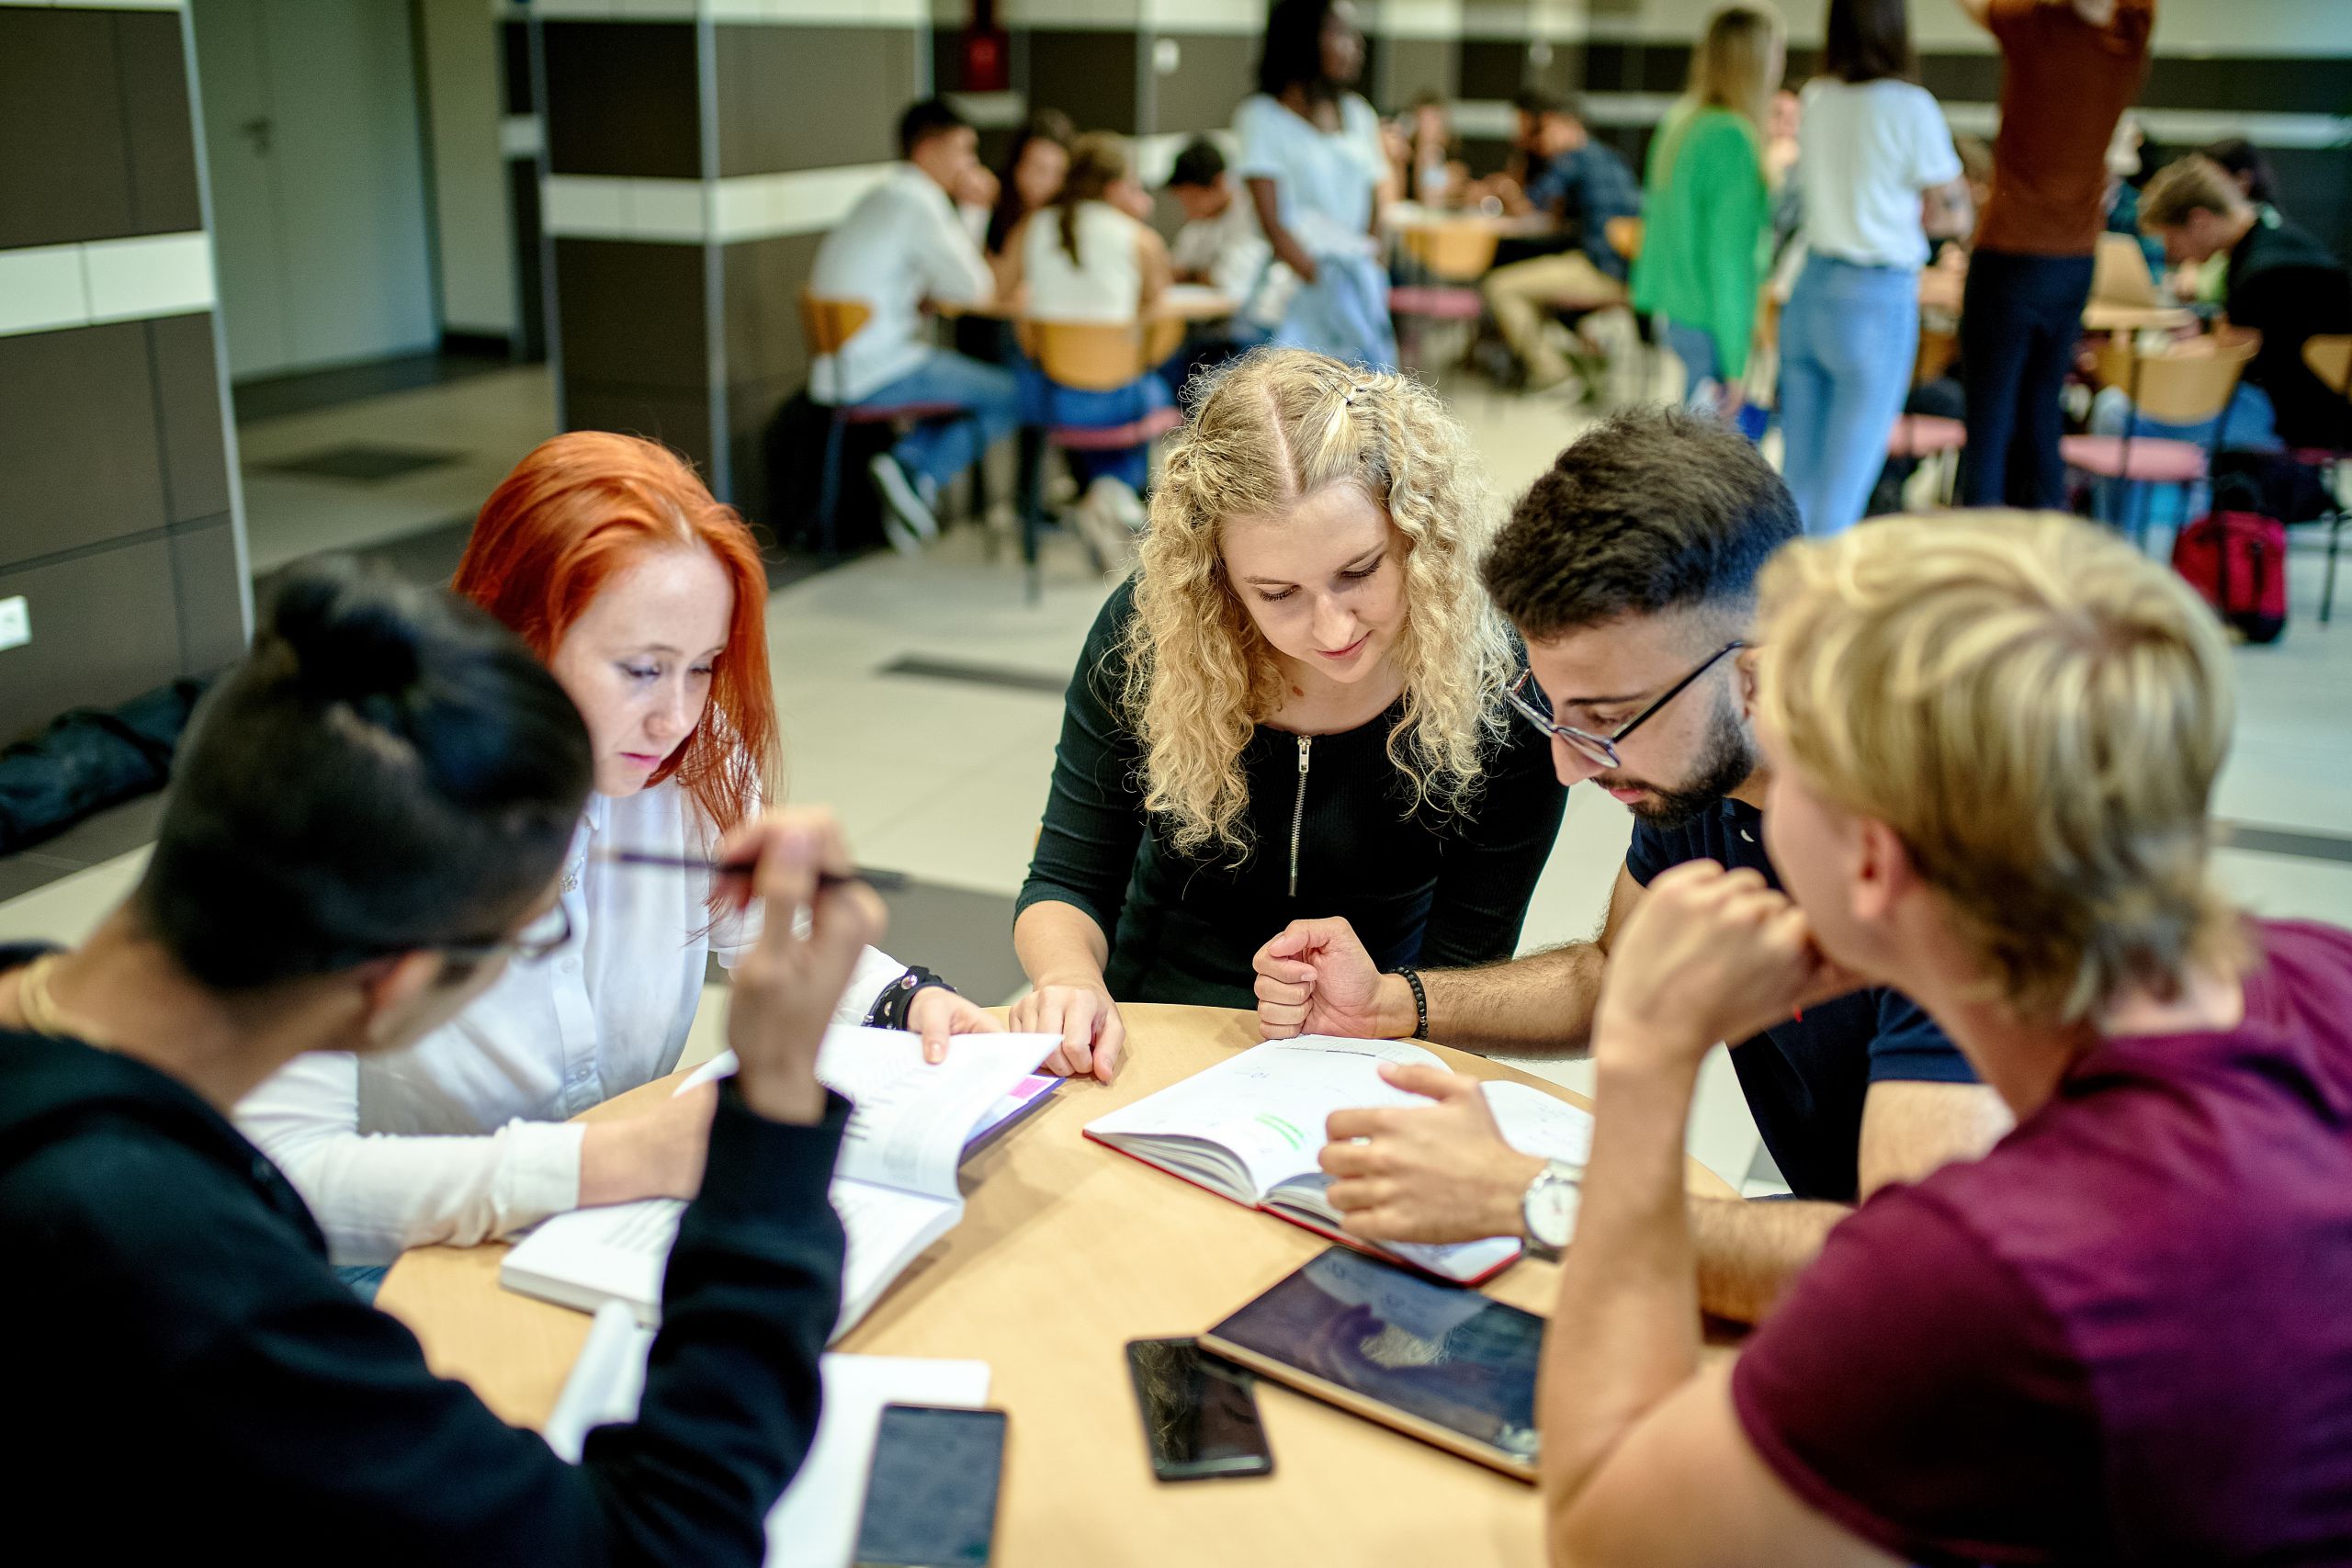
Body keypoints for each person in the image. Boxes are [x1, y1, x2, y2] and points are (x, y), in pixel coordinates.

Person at [3, 558, 881, 1557]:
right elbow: (656, 1542)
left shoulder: (45, 1038)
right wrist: (772, 1115)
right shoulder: (181, 1275)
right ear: (398, 981)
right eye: (533, 934)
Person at [1535, 510, 2352, 1563]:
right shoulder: (2318, 969)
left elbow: (1609, 1532)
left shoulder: (1989, 1273)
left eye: (1784, 768)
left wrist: (1646, 1066)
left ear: (1872, 863)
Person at [1254, 410, 2007, 1325]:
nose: (1570, 767)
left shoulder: (1956, 848)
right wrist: (1391, 1003)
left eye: (1607, 720)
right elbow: (1619, 974)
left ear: (1756, 673)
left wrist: (1533, 1199)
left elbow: (1911, 1273)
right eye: (1555, 714)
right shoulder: (1705, 774)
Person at [237, 434, 998, 1277]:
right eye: (640, 670)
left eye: (703, 669)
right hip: (405, 1258)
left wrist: (906, 1000)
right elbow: (288, 1177)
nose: (677, 718)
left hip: (615, 1225)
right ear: (513, 634)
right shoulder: (348, 808)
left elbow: (766, 932)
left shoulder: (691, 761)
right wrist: (609, 1162)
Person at [1010, 350, 1567, 1082]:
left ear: (1414, 530)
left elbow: (1469, 961)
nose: (1332, 627)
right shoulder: (1152, 639)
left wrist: (1395, 1012)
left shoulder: (1501, 677)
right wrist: (1069, 980)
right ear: (1218, 579)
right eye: (1277, 594)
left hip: (1384, 1032)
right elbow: (1067, 881)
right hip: (1154, 1019)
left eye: (1359, 571)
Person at [1776, 0, 1971, 537]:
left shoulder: (1817, 97)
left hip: (1810, 290)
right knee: (1843, 492)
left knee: (1796, 482)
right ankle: (1819, 593)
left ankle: (1777, 586)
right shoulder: (1910, 106)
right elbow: (1954, 211)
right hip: (1874, 298)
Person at [1956, 0, 2155, 508]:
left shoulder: (2035, 24)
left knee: (1989, 423)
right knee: (2042, 412)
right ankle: (2048, 543)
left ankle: (1977, 545)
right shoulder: (2131, 32)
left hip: (2008, 253)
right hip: (2074, 262)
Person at [809, 98, 1018, 551]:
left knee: (982, 387)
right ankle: (914, 469)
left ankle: (911, 476)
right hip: (879, 368)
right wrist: (975, 208)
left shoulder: (883, 195)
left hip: (839, 368)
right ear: (927, 150)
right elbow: (975, 289)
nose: (971, 165)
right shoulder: (919, 200)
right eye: (964, 151)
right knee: (1014, 393)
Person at [997, 133, 1177, 570]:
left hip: (1052, 401)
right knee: (1152, 389)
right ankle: (1113, 491)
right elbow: (1162, 322)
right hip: (1121, 399)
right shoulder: (1139, 238)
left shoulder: (1032, 227)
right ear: (1115, 186)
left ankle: (1103, 492)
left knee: (1085, 390)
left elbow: (1001, 290)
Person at [2140, 153, 2352, 453]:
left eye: (2172, 240)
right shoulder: (2276, 243)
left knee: (2121, 414)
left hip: (2290, 419)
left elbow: (2225, 359)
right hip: (2314, 412)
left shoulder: (2260, 271)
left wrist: (2152, 360)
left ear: (2199, 220)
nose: (2174, 254)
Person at [1629, 6, 1784, 415]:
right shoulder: (1732, 137)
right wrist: (1736, 363)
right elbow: (1729, 259)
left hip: (1673, 310)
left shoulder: (1681, 120)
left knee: (1686, 437)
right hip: (1711, 319)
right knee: (1708, 446)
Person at [1235, 0, 1397, 367]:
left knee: (1369, 388)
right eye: (1341, 33)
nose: (1357, 45)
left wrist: (1370, 269)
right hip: (1296, 288)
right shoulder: (1262, 117)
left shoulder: (1358, 113)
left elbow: (1376, 197)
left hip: (1358, 283)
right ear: (1302, 39)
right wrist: (1321, 281)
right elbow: (1272, 222)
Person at [1477, 91, 1645, 394]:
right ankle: (1581, 359)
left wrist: (1503, 189)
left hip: (1599, 270)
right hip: (1631, 273)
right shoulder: (1612, 157)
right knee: (1538, 282)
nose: (1543, 140)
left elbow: (1529, 204)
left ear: (1569, 125)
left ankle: (1555, 373)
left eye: (1548, 129)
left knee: (1499, 287)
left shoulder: (1573, 158)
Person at [1164, 137, 1294, 371]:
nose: (1188, 207)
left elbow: (1230, 281)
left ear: (1219, 183)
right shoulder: (1203, 221)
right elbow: (1175, 268)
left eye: (1192, 198)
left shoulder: (1252, 212)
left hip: (1256, 328)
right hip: (1212, 329)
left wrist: (1193, 274)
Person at [982, 109, 1075, 263]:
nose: (1047, 181)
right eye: (1038, 169)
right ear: (1016, 166)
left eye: (1058, 173)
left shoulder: (1071, 214)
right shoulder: (991, 203)